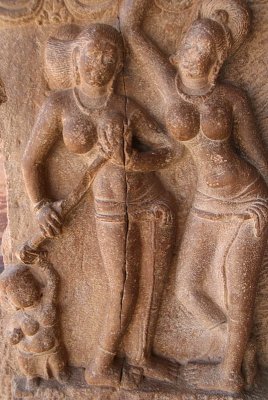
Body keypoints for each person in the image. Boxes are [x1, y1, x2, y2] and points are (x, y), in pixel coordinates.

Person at [120, 0, 268, 394]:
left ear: (216, 62)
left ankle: (231, 372)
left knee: (239, 295)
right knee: (187, 288)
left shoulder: (232, 98)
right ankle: (238, 345)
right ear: (178, 49)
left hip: (246, 200)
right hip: (206, 201)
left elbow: (257, 155)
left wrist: (265, 205)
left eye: (202, 52)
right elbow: (131, 29)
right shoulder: (170, 87)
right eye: (188, 46)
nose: (191, 56)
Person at [22, 24, 176, 388]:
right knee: (123, 286)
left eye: (110, 55)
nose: (100, 62)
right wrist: (40, 205)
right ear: (76, 58)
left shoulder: (125, 104)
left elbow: (171, 150)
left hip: (152, 201)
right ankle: (100, 365)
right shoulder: (59, 105)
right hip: (108, 205)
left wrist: (134, 161)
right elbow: (31, 161)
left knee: (154, 285)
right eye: (92, 53)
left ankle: (143, 355)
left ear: (120, 62)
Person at [0, 261, 67, 395]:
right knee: (27, 368)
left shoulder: (48, 302)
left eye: (25, 285)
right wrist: (13, 337)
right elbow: (9, 335)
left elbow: (53, 281)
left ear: (38, 285)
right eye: (14, 292)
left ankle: (60, 373)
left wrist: (43, 264)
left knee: (59, 365)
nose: (22, 292)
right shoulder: (17, 317)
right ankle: (31, 377)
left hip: (52, 350)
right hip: (28, 355)